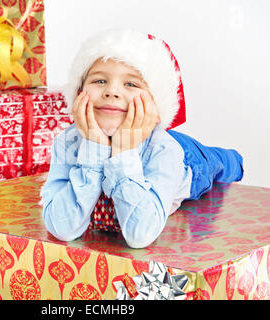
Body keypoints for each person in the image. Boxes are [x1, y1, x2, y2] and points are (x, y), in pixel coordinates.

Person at [42, 29, 243, 248]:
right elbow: (61, 229)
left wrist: (124, 152)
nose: (111, 91)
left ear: (155, 102)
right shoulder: (67, 142)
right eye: (99, 81)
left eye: (131, 84)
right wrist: (94, 148)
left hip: (189, 160)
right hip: (134, 142)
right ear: (79, 92)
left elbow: (140, 235)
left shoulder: (166, 149)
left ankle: (236, 160)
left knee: (221, 162)